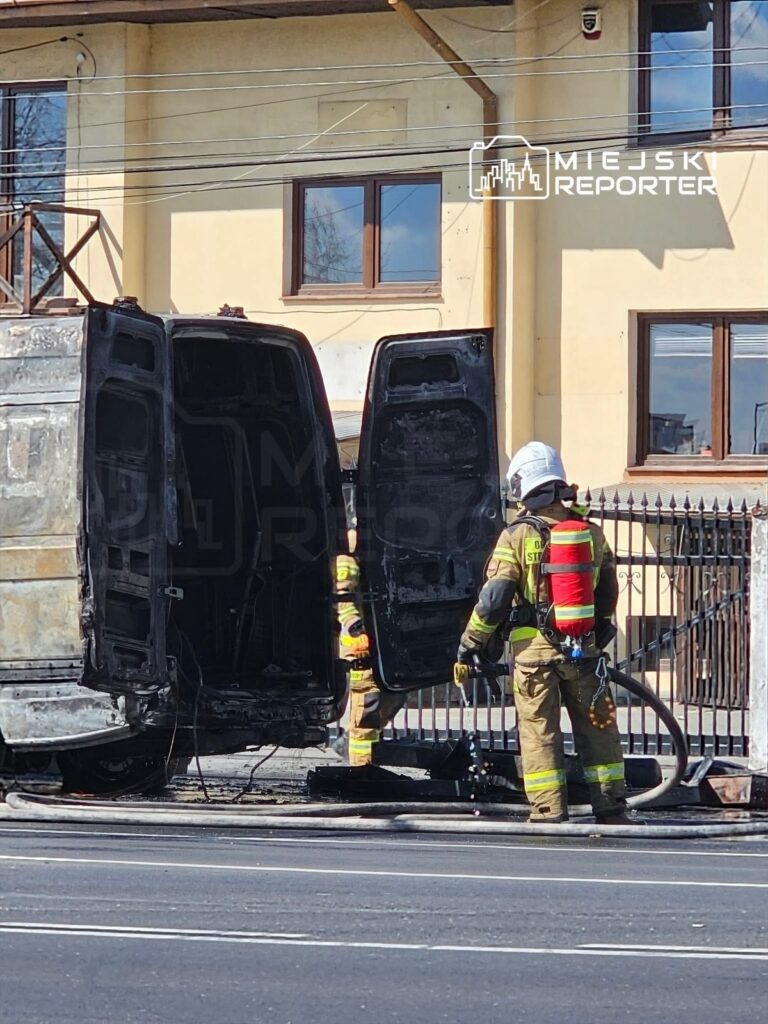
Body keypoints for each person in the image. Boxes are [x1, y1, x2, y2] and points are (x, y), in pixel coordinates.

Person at [457, 441, 629, 824]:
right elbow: (608, 591)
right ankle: (611, 806)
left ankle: (549, 811)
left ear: (523, 484)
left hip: (533, 657)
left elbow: (496, 597)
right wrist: (598, 629)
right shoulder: (590, 532)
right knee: (598, 729)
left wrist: (471, 642)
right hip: (582, 650)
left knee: (539, 733)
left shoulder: (516, 536)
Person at [336, 533, 404, 768]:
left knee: (393, 698)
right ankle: (361, 768)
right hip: (361, 652)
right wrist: (357, 630)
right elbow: (343, 601)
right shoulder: (347, 559)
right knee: (366, 717)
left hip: (379, 650)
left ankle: (354, 748)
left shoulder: (375, 556)